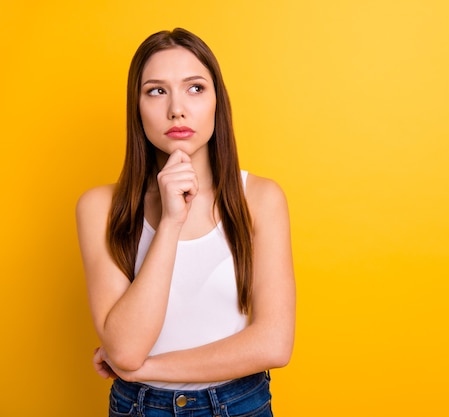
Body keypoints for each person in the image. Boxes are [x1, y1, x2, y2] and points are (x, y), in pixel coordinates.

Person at [76, 28, 295, 417]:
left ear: (217, 102)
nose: (177, 108)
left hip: (240, 405)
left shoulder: (260, 198)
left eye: (195, 88)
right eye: (156, 91)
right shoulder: (100, 207)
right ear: (137, 107)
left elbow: (274, 344)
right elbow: (125, 347)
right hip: (139, 408)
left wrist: (144, 369)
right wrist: (171, 221)